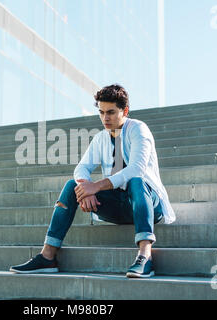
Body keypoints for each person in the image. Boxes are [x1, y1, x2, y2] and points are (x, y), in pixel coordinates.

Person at [10, 84, 176, 278]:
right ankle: (47, 256)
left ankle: (145, 256)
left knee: (136, 181)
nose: (106, 118)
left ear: (125, 111)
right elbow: (81, 168)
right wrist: (84, 187)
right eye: (102, 112)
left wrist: (95, 186)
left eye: (111, 112)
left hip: (147, 204)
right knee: (72, 186)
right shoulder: (100, 138)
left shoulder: (138, 129)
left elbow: (135, 169)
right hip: (118, 206)